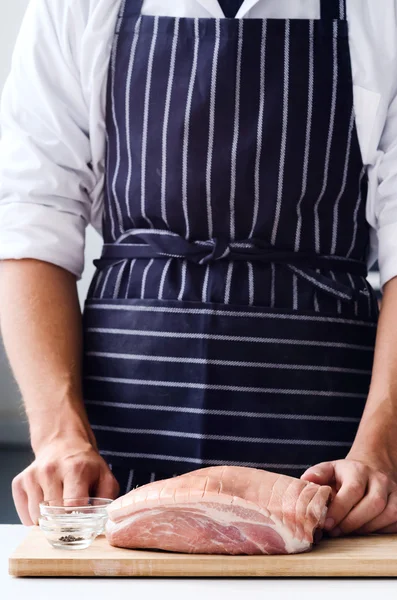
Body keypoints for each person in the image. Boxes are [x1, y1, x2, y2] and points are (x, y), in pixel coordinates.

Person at [1, 0, 397, 541]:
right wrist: (59, 438)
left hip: (329, 448)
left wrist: (380, 450)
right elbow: (31, 217)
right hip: (116, 446)